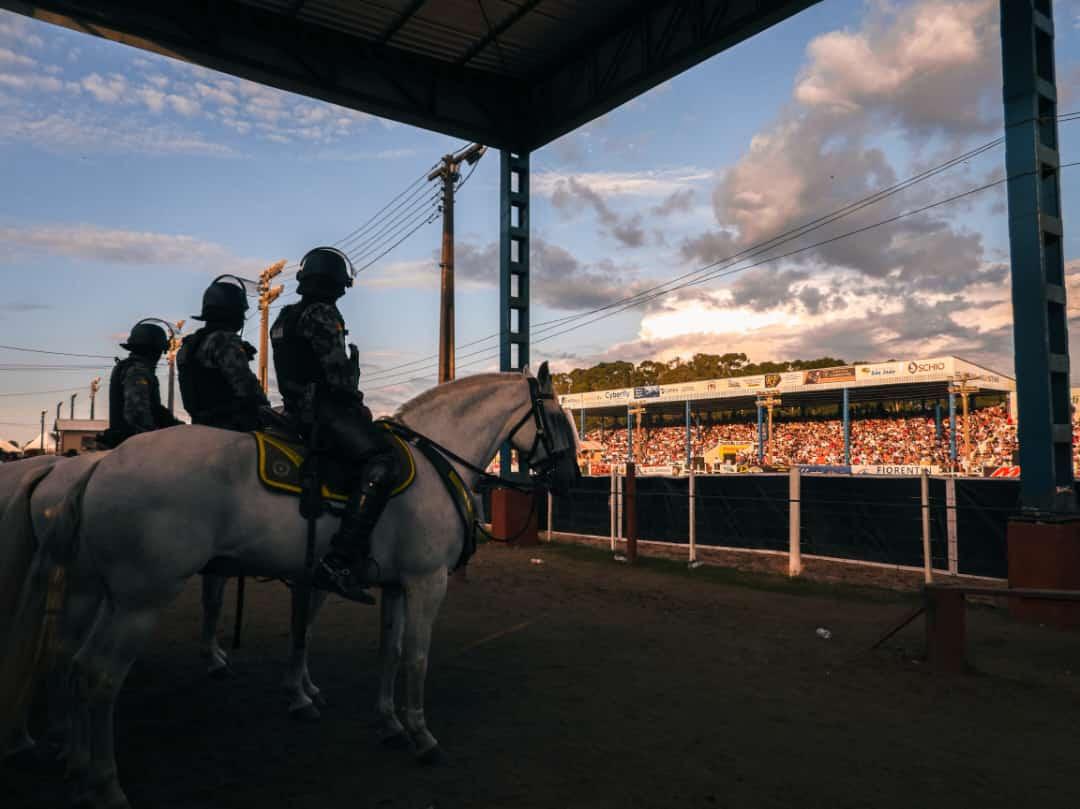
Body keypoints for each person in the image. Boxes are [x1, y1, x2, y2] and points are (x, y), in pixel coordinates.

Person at [271, 246, 394, 604]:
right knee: (382, 464)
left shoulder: (284, 316)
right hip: (324, 411)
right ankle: (338, 561)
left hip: (294, 410)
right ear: (336, 285)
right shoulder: (323, 315)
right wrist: (357, 403)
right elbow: (337, 376)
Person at [178, 275, 268, 431]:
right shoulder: (224, 340)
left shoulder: (189, 345)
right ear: (232, 312)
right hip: (233, 429)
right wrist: (268, 412)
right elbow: (248, 389)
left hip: (200, 426)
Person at [99, 320, 183, 448]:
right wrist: (158, 441)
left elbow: (153, 408)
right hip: (134, 447)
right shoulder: (137, 371)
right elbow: (137, 414)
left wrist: (175, 426)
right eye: (160, 350)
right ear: (153, 350)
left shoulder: (133, 367)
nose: (160, 355)